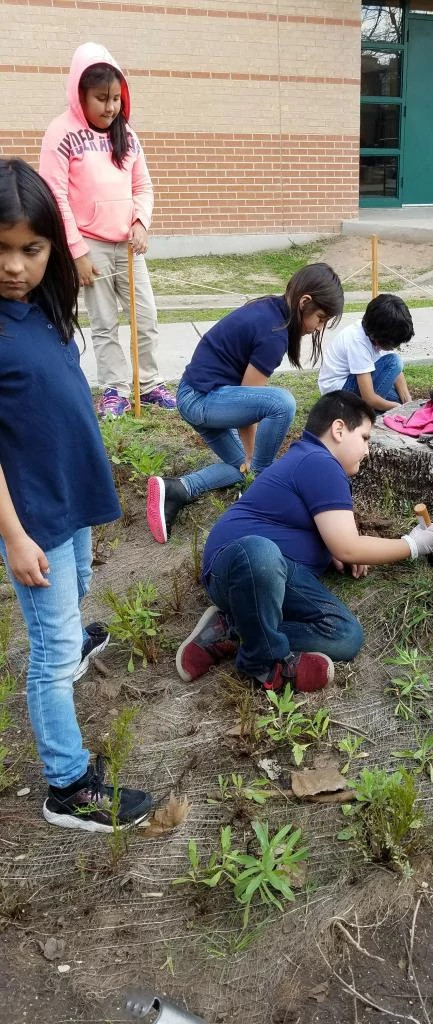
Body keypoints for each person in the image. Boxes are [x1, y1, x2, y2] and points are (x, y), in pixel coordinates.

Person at [0, 158, 152, 830]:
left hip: (71, 496)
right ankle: (68, 785)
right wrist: (14, 536)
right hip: (33, 515)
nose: (13, 266)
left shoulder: (43, 307)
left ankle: (72, 637)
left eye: (30, 250)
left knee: (82, 580)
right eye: (0, 249)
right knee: (51, 655)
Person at [174, 391, 433, 691]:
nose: (368, 450)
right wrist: (413, 544)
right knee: (260, 553)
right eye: (365, 438)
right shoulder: (320, 461)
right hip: (239, 566)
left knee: (346, 635)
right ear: (339, 430)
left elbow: (330, 539)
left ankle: (231, 630)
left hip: (272, 578)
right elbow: (348, 545)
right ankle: (264, 666)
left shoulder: (309, 458)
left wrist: (329, 550)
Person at [146, 263, 344, 544]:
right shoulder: (274, 333)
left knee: (240, 469)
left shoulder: (272, 311)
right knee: (282, 404)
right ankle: (260, 488)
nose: (318, 328)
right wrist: (255, 459)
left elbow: (246, 400)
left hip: (203, 396)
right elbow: (251, 406)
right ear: (304, 302)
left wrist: (248, 462)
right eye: (320, 318)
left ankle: (177, 489)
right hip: (202, 398)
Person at [39, 42, 175, 418]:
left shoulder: (126, 135)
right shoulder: (60, 133)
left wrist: (140, 223)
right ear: (79, 93)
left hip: (128, 247)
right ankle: (114, 389)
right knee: (103, 323)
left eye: (115, 98)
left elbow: (142, 186)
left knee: (145, 316)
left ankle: (148, 385)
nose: (110, 107)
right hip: (91, 246)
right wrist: (76, 251)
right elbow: (55, 196)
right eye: (101, 98)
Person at [318, 292, 414, 412]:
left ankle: (374, 412)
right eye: (392, 344)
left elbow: (396, 373)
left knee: (398, 399)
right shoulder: (358, 341)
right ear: (378, 337)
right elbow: (369, 398)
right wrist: (397, 408)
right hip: (338, 396)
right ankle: (363, 415)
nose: (394, 348)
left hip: (354, 384)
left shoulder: (375, 331)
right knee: (394, 361)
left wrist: (407, 402)